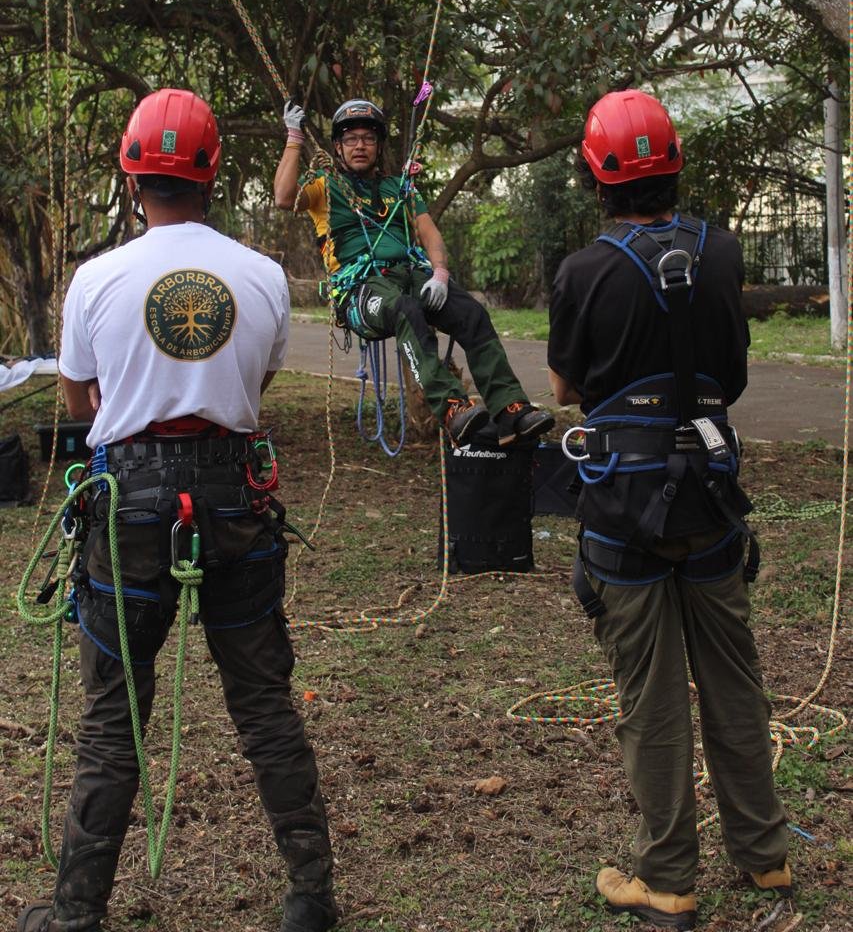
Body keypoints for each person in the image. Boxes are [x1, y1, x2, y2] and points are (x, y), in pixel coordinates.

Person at [18, 89, 338, 932]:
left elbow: (82, 400)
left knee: (112, 717)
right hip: (234, 496)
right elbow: (256, 386)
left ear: (132, 176)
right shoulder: (262, 276)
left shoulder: (96, 278)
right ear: (212, 175)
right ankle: (310, 894)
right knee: (264, 704)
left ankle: (76, 911)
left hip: (128, 502)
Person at [547, 91, 790, 930]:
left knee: (651, 699)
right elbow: (732, 374)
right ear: (675, 165)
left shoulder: (583, 271)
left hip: (623, 507)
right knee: (734, 680)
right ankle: (764, 858)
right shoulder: (720, 254)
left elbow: (568, 389)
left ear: (594, 175)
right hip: (713, 497)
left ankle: (667, 880)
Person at [274, 97, 554, 447]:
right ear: (338, 147)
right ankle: (452, 407)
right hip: (361, 290)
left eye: (368, 138)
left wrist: (439, 273)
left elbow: (428, 231)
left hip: (411, 274)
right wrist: (294, 138)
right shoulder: (324, 186)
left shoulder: (400, 188)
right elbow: (284, 198)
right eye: (350, 139)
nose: (360, 145)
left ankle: (512, 408)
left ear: (378, 146)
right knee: (404, 309)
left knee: (471, 312)